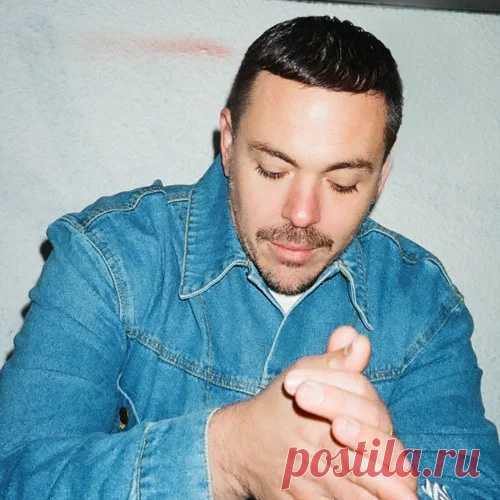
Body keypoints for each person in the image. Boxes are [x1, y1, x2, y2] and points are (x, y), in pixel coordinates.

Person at [0, 15, 498, 500]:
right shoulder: (110, 259)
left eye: (343, 182)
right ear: (228, 141)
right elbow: (16, 472)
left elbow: (472, 486)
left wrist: (393, 475)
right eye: (274, 170)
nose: (302, 214)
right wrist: (227, 455)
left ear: (381, 178)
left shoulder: (423, 306)